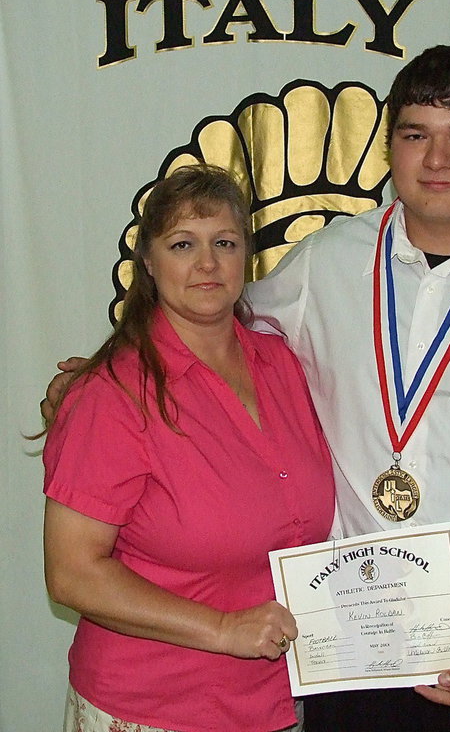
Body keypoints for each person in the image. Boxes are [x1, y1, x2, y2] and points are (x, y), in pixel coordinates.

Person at [44, 44, 450, 731]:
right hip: (352, 636)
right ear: (391, 146)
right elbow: (210, 317)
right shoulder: (325, 266)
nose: (438, 160)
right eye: (416, 135)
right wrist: (91, 383)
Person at [42, 163, 335, 732]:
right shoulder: (114, 393)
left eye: (224, 243)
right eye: (183, 244)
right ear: (149, 264)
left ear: (247, 257)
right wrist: (223, 629)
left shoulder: (282, 364)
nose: (207, 263)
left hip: (279, 702)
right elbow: (72, 573)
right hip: (155, 709)